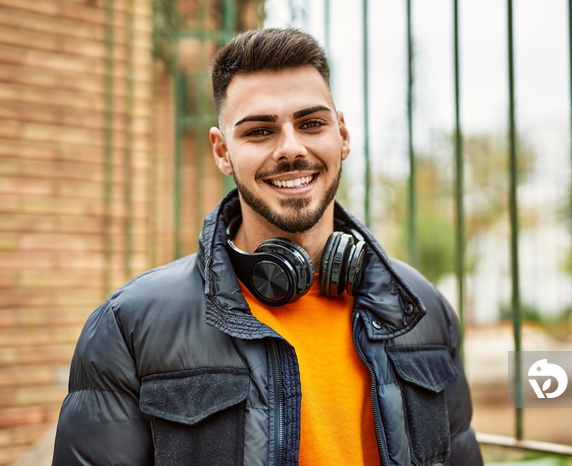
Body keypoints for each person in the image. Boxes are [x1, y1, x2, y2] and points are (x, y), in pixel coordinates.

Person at [52, 27, 483, 466]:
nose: (291, 149)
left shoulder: (424, 311)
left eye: (312, 123)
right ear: (222, 151)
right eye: (260, 131)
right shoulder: (126, 328)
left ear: (343, 135)